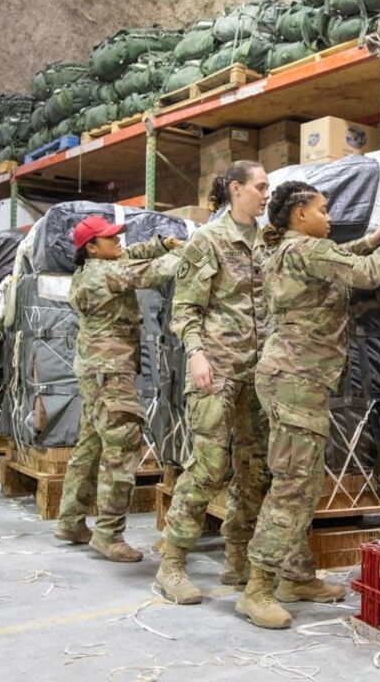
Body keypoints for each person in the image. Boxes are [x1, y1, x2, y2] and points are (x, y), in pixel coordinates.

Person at [237, 183, 380, 629]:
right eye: (323, 210)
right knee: (294, 485)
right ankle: (257, 588)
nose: (329, 217)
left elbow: (340, 261)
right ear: (300, 214)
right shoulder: (307, 248)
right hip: (297, 380)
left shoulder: (290, 249)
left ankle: (297, 577)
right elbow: (366, 273)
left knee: (300, 480)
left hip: (292, 378)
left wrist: (376, 235)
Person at [155, 160, 274, 604]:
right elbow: (183, 310)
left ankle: (237, 560)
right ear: (236, 189)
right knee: (207, 468)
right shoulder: (207, 241)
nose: (266, 194)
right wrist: (197, 354)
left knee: (253, 469)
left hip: (256, 374)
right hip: (216, 370)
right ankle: (172, 565)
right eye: (260, 187)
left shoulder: (266, 241)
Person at [54, 216, 183, 562]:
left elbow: (133, 256)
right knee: (123, 446)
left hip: (95, 371)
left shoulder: (94, 268)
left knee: (91, 445)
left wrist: (160, 244)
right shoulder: (104, 273)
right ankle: (108, 534)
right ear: (91, 248)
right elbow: (150, 274)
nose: (119, 242)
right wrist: (193, 253)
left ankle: (70, 520)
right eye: (110, 239)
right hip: (111, 373)